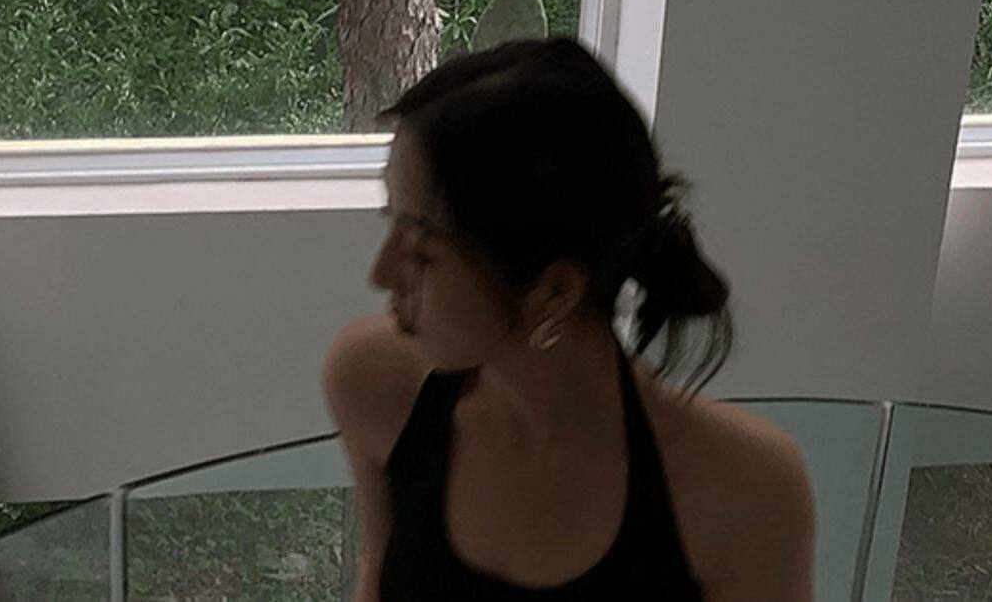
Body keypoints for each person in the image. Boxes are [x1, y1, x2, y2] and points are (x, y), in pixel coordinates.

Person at [322, 38, 815, 600]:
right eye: (391, 218)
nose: (380, 273)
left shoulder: (743, 490)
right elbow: (379, 579)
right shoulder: (375, 386)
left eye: (422, 251)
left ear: (554, 293)